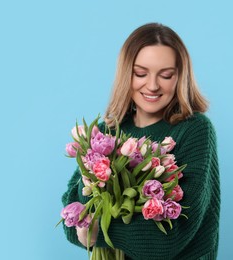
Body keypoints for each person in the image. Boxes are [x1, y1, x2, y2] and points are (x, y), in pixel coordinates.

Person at [62, 22, 220, 260]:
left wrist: (96, 230)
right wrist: (86, 224)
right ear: (127, 74)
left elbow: (165, 241)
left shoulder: (194, 130)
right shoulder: (106, 133)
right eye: (141, 73)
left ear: (180, 77)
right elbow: (70, 215)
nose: (153, 85)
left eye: (166, 75)